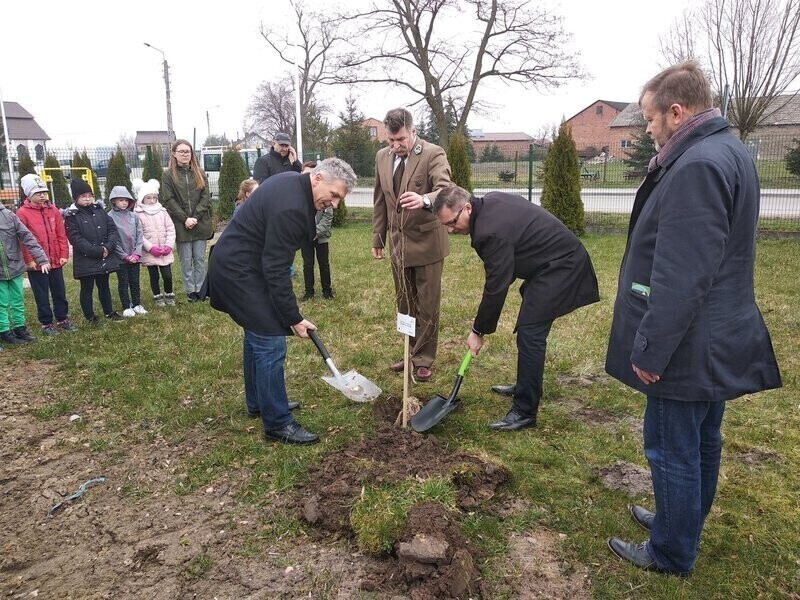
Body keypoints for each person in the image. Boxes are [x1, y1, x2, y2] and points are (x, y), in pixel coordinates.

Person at [604, 61, 782, 577]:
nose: (648, 129)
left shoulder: (698, 164)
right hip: (713, 334)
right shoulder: (727, 150)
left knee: (672, 447)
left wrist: (653, 350)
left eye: (651, 119)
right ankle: (680, 522)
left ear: (676, 112)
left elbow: (683, 274)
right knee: (702, 438)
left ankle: (671, 550)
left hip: (687, 342)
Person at [207, 158, 357, 445]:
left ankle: (260, 403)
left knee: (257, 335)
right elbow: (277, 269)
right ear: (318, 178)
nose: (335, 204)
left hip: (241, 266)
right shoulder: (292, 207)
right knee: (270, 340)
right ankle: (277, 423)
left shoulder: (290, 182)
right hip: (240, 273)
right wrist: (293, 317)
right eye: (334, 195)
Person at [433, 186, 600, 430]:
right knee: (529, 332)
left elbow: (496, 285)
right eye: (445, 225)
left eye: (452, 222)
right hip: (548, 265)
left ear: (467, 207)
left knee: (531, 333)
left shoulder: (489, 231)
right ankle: (526, 386)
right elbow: (504, 268)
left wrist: (478, 330)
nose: (450, 230)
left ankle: (524, 411)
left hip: (563, 266)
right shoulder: (489, 202)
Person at [372, 107, 452, 381]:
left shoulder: (433, 153)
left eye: (401, 140)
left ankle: (424, 359)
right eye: (391, 141)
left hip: (428, 243)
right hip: (398, 246)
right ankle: (409, 351)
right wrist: (378, 237)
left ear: (413, 132)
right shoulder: (382, 157)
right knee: (404, 303)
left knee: (427, 304)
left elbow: (445, 188)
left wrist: (425, 200)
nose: (395, 146)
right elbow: (380, 200)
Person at [16, 174, 78, 335]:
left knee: (59, 291)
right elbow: (23, 239)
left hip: (55, 259)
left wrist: (63, 253)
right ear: (29, 194)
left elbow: (60, 233)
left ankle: (62, 318)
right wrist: (29, 260)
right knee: (41, 293)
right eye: (38, 192)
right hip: (37, 263)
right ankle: (46, 323)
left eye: (44, 191)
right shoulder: (22, 213)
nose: (42, 195)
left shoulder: (54, 210)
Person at [64, 178, 123, 322]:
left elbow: (112, 230)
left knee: (104, 285)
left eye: (90, 195)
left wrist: (108, 247)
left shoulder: (100, 211)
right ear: (76, 198)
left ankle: (109, 312)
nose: (87, 199)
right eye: (83, 196)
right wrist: (96, 251)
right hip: (86, 259)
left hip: (105, 254)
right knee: (87, 288)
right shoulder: (72, 216)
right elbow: (75, 238)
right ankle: (90, 316)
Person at [162, 139, 212, 302]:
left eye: (188, 151)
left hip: (200, 223)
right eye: (181, 151)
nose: (185, 154)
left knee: (199, 258)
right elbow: (169, 199)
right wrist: (185, 219)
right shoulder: (168, 175)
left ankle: (200, 288)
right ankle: (190, 290)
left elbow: (205, 197)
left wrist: (195, 217)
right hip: (181, 224)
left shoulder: (200, 172)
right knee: (185, 260)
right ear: (174, 154)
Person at [0, 196, 50, 348]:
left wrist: (41, 258)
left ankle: (20, 328)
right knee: (1, 303)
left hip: (14, 266)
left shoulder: (8, 215)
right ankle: (4, 331)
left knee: (17, 300)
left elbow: (27, 236)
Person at [133, 178, 176, 307]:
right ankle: (157, 296)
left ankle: (169, 294)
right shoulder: (138, 214)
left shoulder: (162, 211)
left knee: (167, 275)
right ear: (142, 199)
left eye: (154, 198)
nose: (152, 201)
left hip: (164, 250)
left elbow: (170, 228)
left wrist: (169, 245)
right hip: (150, 251)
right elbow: (139, 234)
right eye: (148, 198)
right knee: (154, 275)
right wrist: (150, 248)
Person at [108, 185, 146, 318]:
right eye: (120, 200)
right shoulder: (110, 217)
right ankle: (126, 306)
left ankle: (137, 304)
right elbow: (113, 240)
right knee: (123, 282)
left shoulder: (134, 216)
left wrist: (136, 253)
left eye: (126, 200)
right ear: (113, 201)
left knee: (135, 281)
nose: (124, 203)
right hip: (121, 259)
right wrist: (124, 256)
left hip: (134, 257)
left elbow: (140, 235)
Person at [300, 161, 334, 300]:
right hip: (306, 237)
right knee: (307, 264)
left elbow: (327, 215)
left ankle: (327, 291)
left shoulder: (326, 192)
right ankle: (309, 292)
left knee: (324, 263)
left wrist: (315, 232)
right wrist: (307, 233)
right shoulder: (300, 194)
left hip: (321, 236)